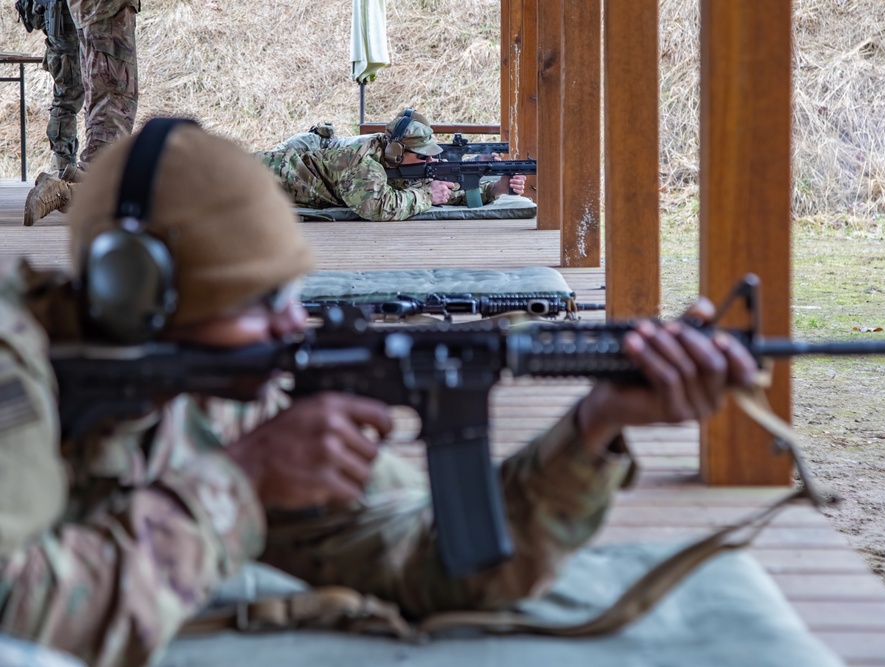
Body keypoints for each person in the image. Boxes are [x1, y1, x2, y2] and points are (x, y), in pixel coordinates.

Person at [0, 122, 756, 666]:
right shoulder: (17, 367)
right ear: (135, 298)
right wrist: (242, 484)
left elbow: (437, 566)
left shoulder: (225, 397)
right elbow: (19, 624)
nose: (294, 323)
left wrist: (595, 426)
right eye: (259, 303)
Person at [255, 110, 528, 221]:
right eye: (422, 156)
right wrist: (425, 195)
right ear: (397, 152)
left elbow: (442, 192)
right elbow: (376, 207)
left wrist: (495, 189)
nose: (430, 161)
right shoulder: (363, 160)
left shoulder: (397, 161)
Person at [22, 0, 140, 227]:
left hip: (97, 11)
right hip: (106, 10)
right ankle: (68, 191)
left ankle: (79, 178)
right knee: (115, 103)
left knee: (104, 100)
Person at [14, 0, 84, 178]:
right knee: (66, 101)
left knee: (71, 100)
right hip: (66, 45)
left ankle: (66, 164)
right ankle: (62, 164)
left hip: (71, 41)